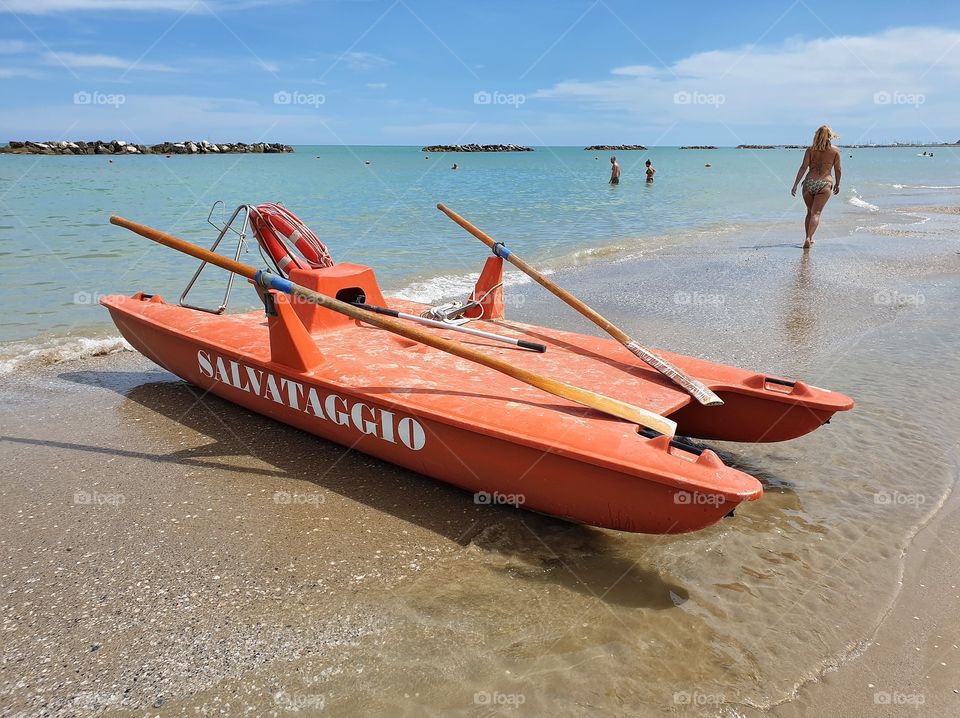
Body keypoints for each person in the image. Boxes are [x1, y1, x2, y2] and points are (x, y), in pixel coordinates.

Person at [791, 125, 842, 250]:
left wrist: (795, 184)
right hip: (824, 183)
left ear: (817, 136)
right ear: (830, 136)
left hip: (809, 183)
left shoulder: (810, 150)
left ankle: (809, 238)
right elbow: (838, 169)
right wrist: (838, 184)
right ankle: (809, 238)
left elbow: (803, 167)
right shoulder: (835, 151)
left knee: (809, 212)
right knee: (816, 213)